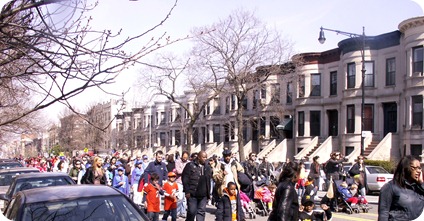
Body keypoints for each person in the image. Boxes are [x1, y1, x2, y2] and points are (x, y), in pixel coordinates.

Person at [378, 155, 424, 221]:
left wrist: (422, 183)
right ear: (405, 168)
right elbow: (383, 213)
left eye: (419, 168)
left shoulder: (419, 188)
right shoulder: (390, 187)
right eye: (414, 168)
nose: (418, 171)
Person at [182, 150, 211, 221]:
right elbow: (185, 179)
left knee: (201, 212)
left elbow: (208, 180)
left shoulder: (207, 167)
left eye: (206, 157)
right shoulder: (190, 165)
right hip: (192, 193)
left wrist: (208, 193)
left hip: (203, 194)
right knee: (192, 212)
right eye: (203, 157)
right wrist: (187, 191)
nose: (205, 159)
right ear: (198, 157)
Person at [174, 151, 190, 218]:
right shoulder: (178, 162)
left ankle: (183, 212)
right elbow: (178, 171)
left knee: (184, 199)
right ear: (182, 156)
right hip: (179, 181)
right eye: (184, 157)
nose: (185, 158)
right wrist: (185, 171)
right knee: (180, 197)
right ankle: (177, 212)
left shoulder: (188, 163)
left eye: (186, 157)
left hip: (186, 182)